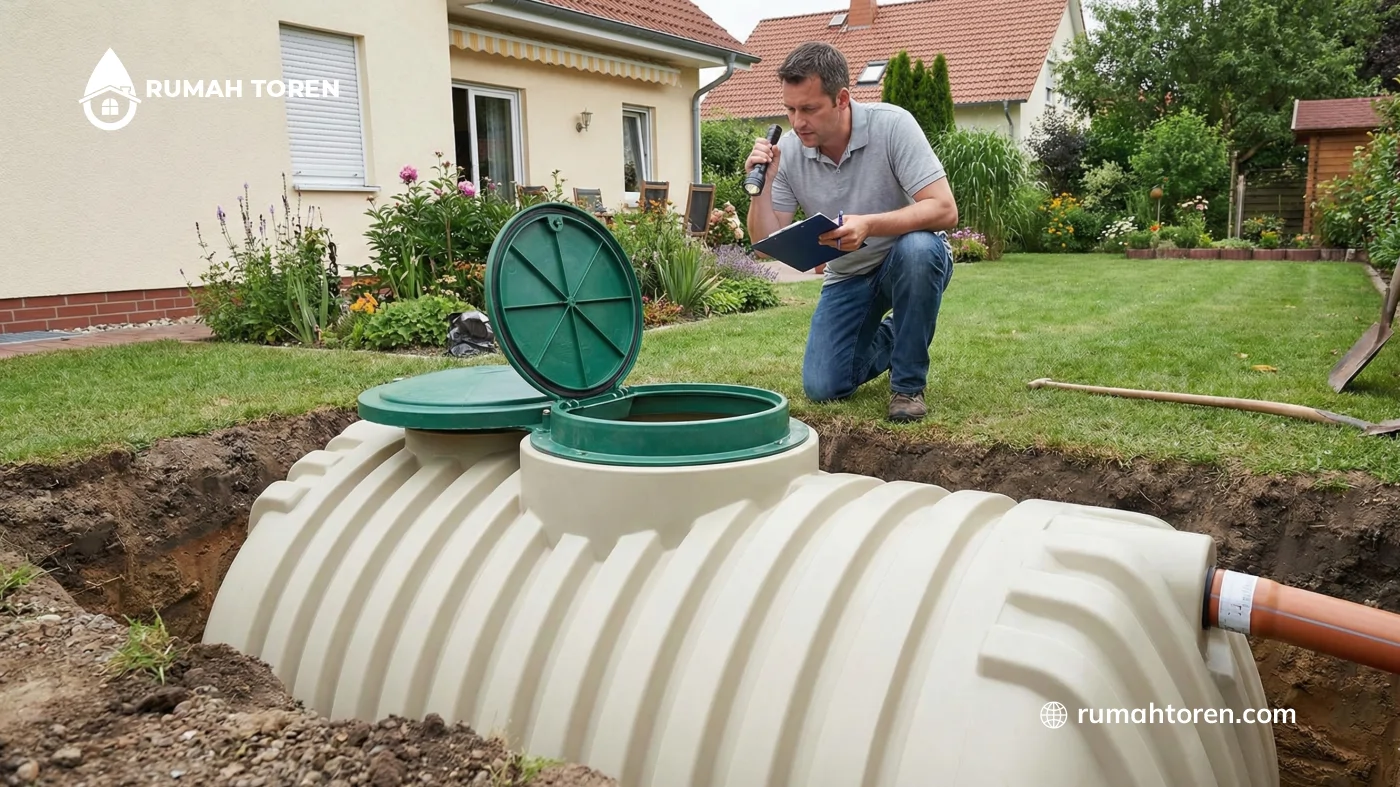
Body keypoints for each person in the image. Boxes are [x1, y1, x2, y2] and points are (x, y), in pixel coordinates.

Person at [744, 41, 958, 423]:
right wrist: (763, 186)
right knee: (824, 386)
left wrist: (869, 224)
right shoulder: (788, 152)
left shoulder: (892, 125)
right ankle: (900, 333)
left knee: (919, 249)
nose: (798, 122)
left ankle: (907, 387)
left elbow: (944, 208)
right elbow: (763, 247)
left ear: (842, 99)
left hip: (906, 260)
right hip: (847, 274)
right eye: (790, 109)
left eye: (809, 109)